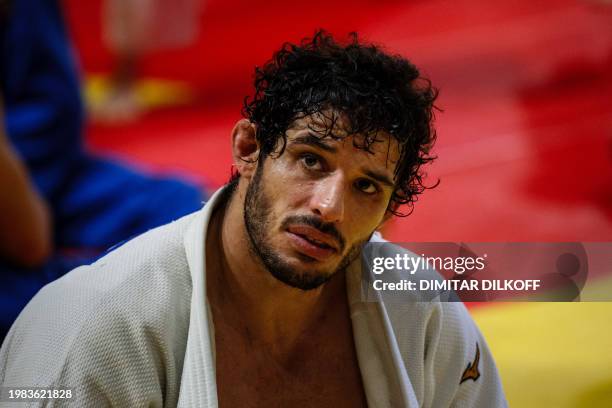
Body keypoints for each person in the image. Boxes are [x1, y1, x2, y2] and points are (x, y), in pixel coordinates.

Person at [0, 31, 507, 407]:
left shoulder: (420, 309)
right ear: (248, 148)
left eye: (367, 186)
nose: (329, 207)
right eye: (311, 160)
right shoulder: (93, 331)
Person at [0, 0, 205, 339]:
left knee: (207, 219)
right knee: (152, 286)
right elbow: (28, 241)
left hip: (56, 173)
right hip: (22, 218)